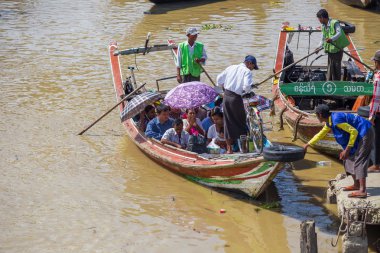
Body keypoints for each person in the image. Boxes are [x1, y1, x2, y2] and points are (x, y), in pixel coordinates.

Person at [304, 104, 374, 198]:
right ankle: (356, 184)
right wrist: (308, 144)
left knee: (359, 160)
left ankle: (362, 190)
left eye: (316, 114)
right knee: (347, 159)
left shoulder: (336, 120)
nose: (316, 117)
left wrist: (347, 149)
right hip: (358, 134)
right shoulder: (330, 121)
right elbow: (321, 134)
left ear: (320, 115)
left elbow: (354, 132)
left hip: (365, 131)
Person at [216, 55, 258, 153]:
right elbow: (247, 87)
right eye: (253, 67)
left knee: (227, 122)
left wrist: (223, 86)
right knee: (241, 122)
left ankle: (229, 149)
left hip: (226, 97)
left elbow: (219, 79)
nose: (252, 69)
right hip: (236, 98)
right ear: (249, 63)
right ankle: (244, 148)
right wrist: (247, 90)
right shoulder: (247, 71)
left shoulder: (231, 67)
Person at [316, 9, 350, 81]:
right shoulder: (323, 26)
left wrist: (331, 39)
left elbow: (339, 33)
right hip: (331, 50)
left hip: (337, 49)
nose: (318, 20)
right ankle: (329, 81)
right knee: (330, 66)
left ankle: (336, 83)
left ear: (322, 17)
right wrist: (318, 47)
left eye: (319, 18)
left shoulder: (334, 23)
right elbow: (323, 38)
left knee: (336, 67)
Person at [368, 50, 380, 172]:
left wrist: (371, 116)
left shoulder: (378, 77)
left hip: (378, 113)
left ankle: (376, 164)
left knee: (376, 138)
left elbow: (376, 99)